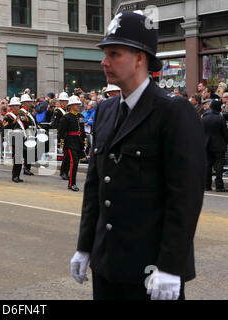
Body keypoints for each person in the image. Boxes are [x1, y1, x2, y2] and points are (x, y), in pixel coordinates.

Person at [70, 11, 205, 300]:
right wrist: (85, 246)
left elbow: (185, 196)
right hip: (107, 264)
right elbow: (95, 186)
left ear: (140, 58)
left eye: (114, 53)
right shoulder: (106, 110)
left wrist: (171, 266)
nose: (104, 62)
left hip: (151, 270)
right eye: (105, 53)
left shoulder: (172, 112)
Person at [58, 95, 85, 192]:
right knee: (74, 162)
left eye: (79, 104)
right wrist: (61, 144)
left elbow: (82, 131)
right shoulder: (66, 117)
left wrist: (84, 142)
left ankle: (72, 182)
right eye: (76, 104)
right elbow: (61, 132)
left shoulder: (81, 116)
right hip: (70, 142)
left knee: (76, 162)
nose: (78, 106)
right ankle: (71, 183)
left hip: (78, 142)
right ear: (71, 105)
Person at [201, 99, 228, 192]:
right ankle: (219, 186)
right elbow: (225, 133)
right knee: (219, 166)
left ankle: (206, 185)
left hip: (207, 145)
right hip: (219, 146)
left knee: (208, 165)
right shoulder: (220, 118)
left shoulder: (204, 117)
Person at [3, 97, 25, 182]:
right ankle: (14, 176)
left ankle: (18, 175)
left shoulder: (22, 114)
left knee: (20, 157)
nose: (16, 107)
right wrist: (14, 122)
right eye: (14, 105)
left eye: (18, 105)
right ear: (11, 107)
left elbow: (26, 124)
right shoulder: (8, 116)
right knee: (16, 157)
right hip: (14, 137)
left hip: (22, 136)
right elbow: (5, 127)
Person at [51, 92, 70, 180]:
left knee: (68, 155)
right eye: (64, 101)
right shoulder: (58, 111)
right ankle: (63, 172)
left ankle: (66, 171)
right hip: (62, 135)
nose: (66, 102)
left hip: (69, 135)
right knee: (65, 155)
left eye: (67, 101)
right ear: (61, 101)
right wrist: (58, 137)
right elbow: (55, 124)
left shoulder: (68, 111)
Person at [20, 93, 37, 176]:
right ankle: (25, 168)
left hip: (31, 133)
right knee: (26, 152)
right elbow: (24, 123)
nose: (30, 103)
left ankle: (27, 168)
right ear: (23, 103)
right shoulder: (21, 113)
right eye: (28, 102)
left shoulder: (29, 112)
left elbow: (34, 122)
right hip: (26, 134)